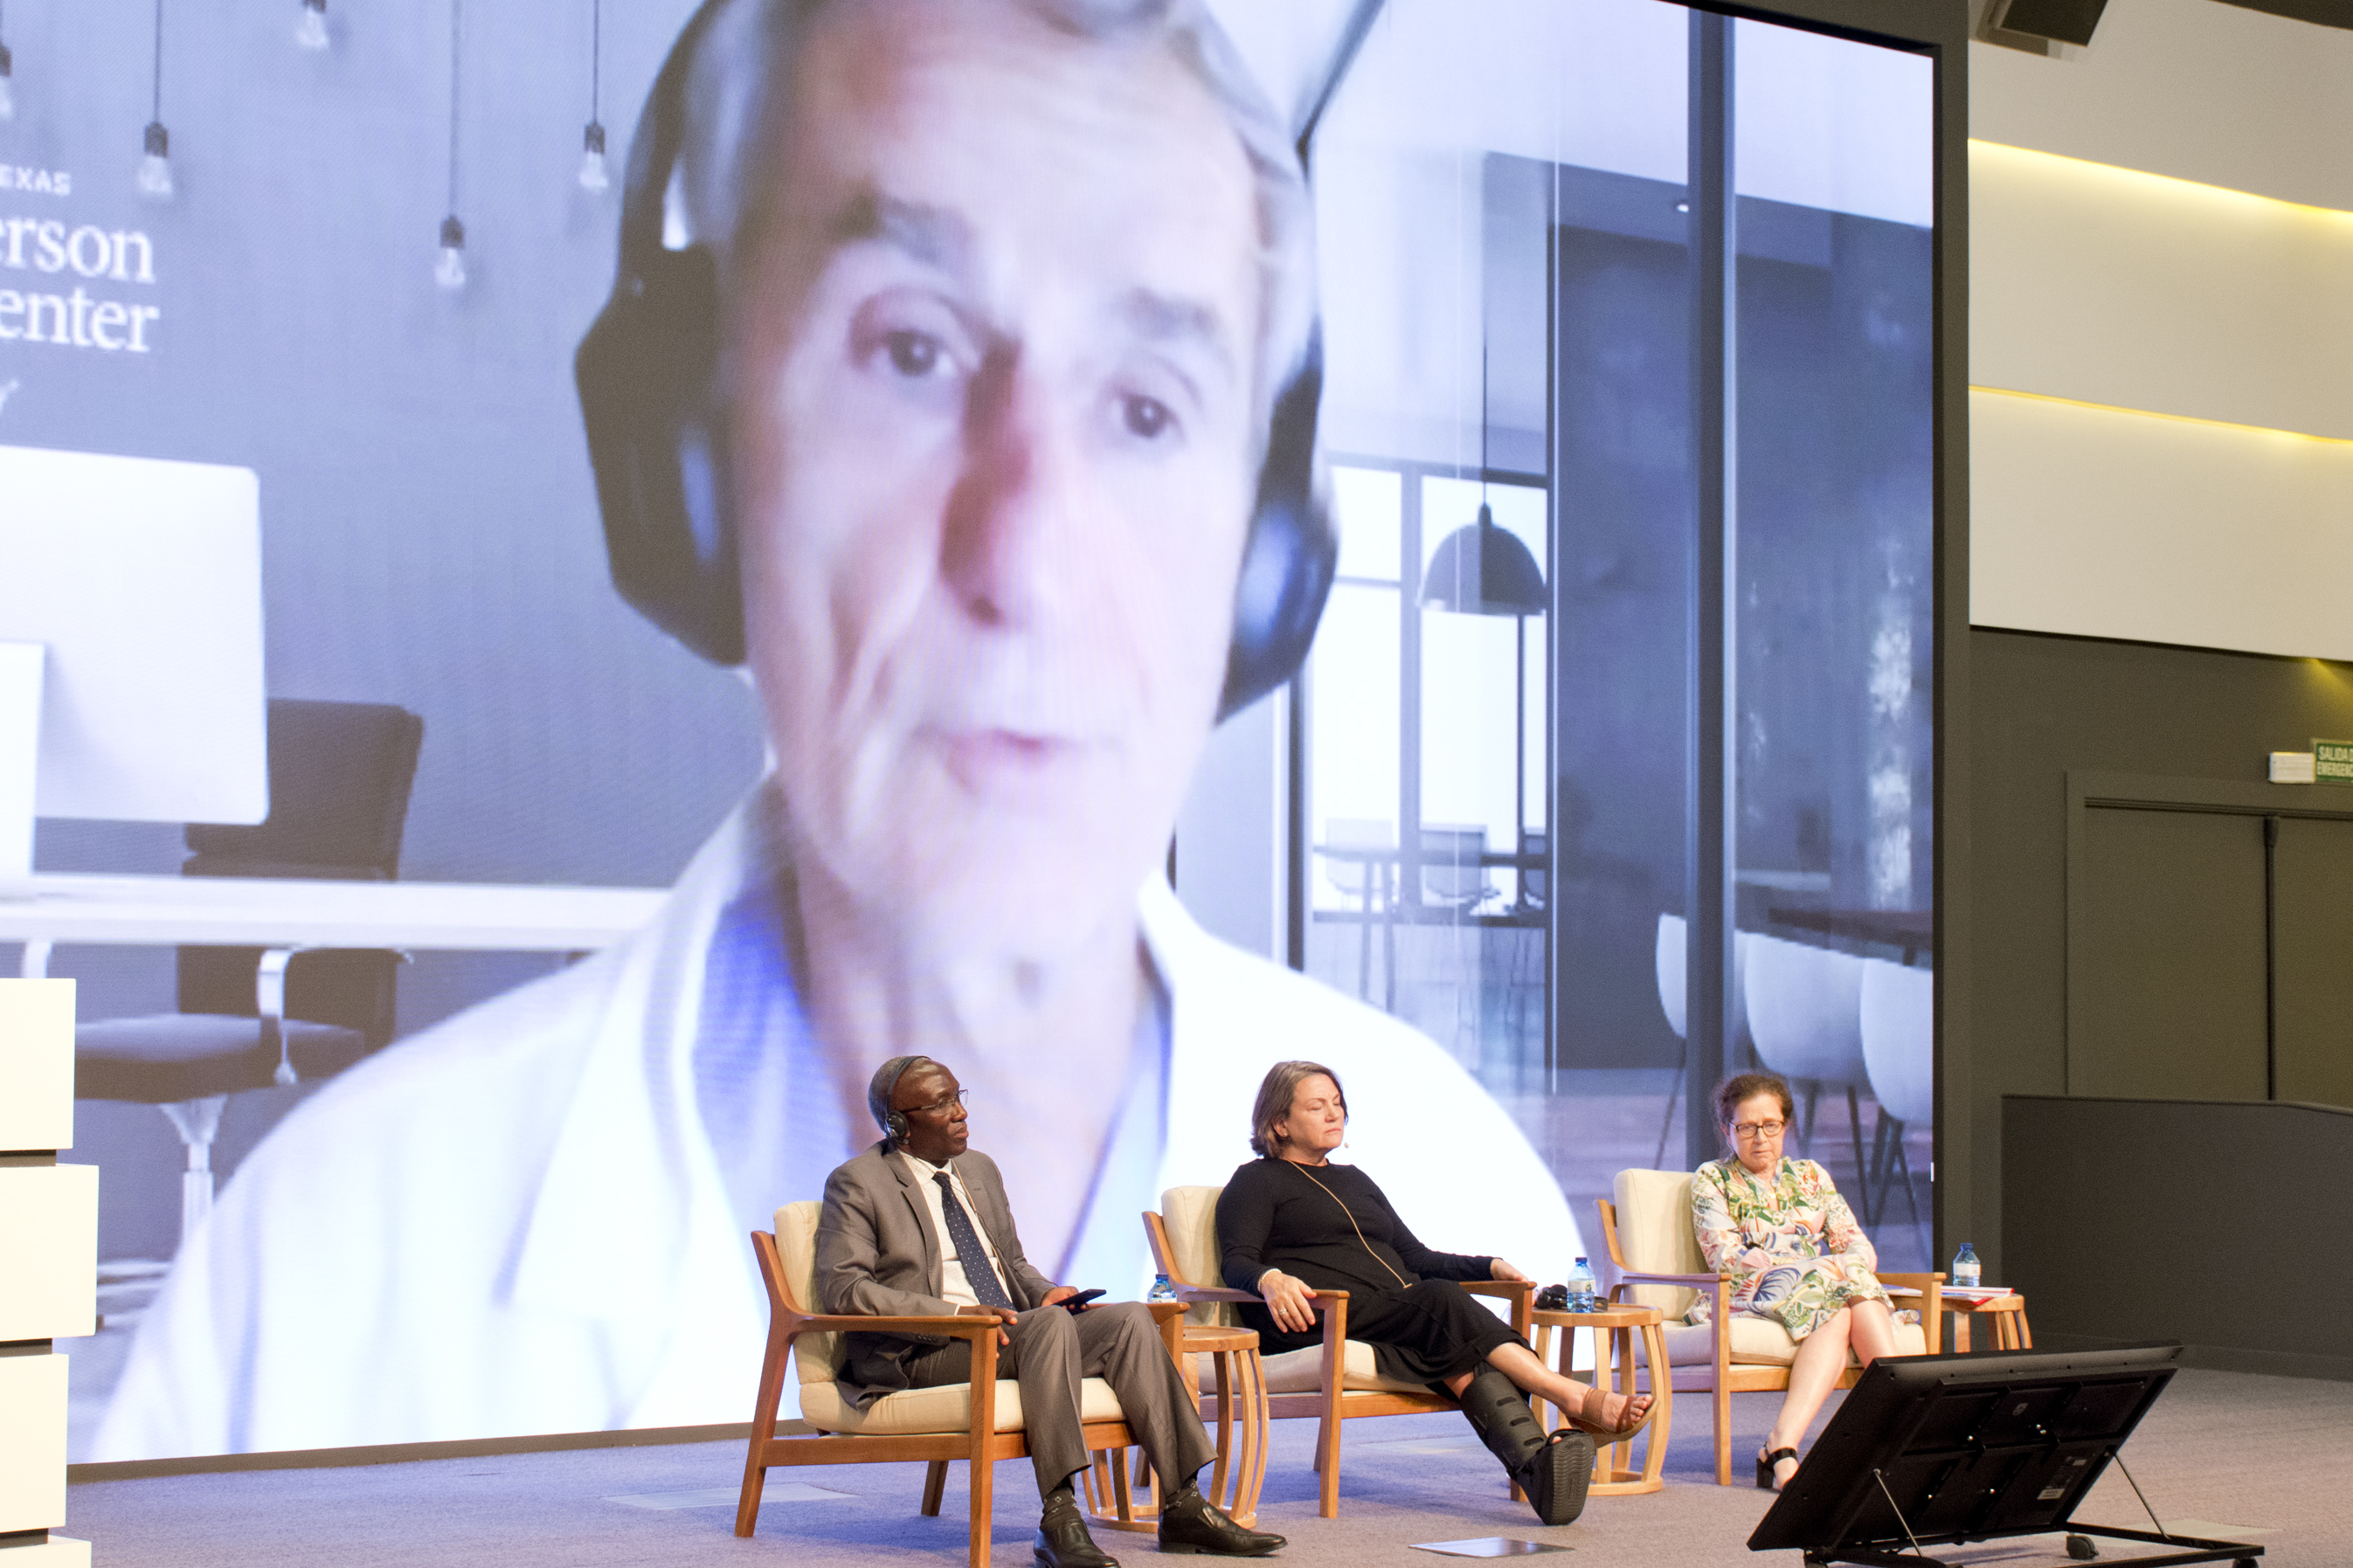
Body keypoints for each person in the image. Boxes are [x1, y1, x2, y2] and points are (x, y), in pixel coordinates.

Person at [92, 0, 1581, 1461]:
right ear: (696, 465)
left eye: (1145, 408)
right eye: (911, 350)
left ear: (1261, 570)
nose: (1025, 559)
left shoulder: (1459, 1165)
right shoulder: (319, 1277)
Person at [823, 1057, 1283, 1566]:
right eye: (942, 1104)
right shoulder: (859, 1181)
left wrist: (1044, 1293)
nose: (960, 1113)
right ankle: (1059, 1518)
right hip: (925, 1350)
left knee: (1130, 1319)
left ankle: (1184, 1506)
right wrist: (955, 1311)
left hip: (1009, 1333)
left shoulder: (978, 1169)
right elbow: (844, 1289)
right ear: (899, 1125)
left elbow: (1012, 1265)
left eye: (959, 1097)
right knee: (1046, 1328)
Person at [1214, 1061, 1651, 1527]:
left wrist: (1486, 1265)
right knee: (1439, 1301)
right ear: (1280, 1123)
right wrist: (1270, 1278)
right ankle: (1572, 1397)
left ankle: (1538, 1471)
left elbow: (1416, 1256)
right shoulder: (1255, 1180)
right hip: (1318, 1317)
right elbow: (1236, 1260)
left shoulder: (1355, 1180)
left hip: (1395, 1315)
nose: (1334, 1113)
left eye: (1338, 1103)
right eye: (1317, 1106)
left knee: (1463, 1352)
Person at [1691, 1071, 1900, 1491]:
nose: (1760, 1138)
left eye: (1770, 1125)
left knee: (1839, 1302)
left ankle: (1781, 1445)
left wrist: (1838, 1267)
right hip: (1743, 1292)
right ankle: (1900, 1420)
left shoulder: (1811, 1176)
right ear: (1727, 1131)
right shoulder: (1712, 1178)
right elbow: (1726, 1257)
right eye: (1746, 1127)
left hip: (1821, 1292)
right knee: (1836, 1278)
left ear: (1785, 1126)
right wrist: (1813, 1266)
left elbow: (1856, 1245)